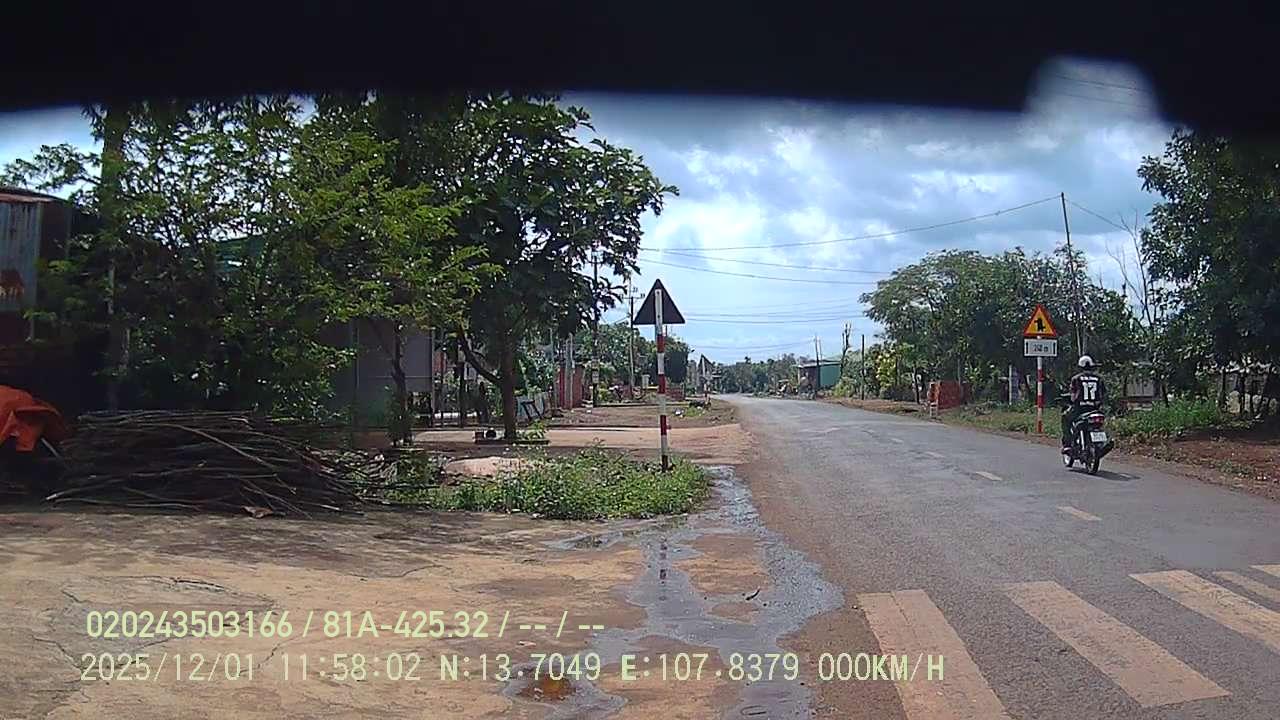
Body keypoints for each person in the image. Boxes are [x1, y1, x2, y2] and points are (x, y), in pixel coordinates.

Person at [1062, 355, 1106, 452]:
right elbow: (1103, 394)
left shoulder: (1076, 378)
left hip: (1080, 409)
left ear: (1080, 366)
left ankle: (1067, 444)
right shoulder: (1099, 379)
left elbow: (1073, 397)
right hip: (1095, 409)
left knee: (1065, 418)